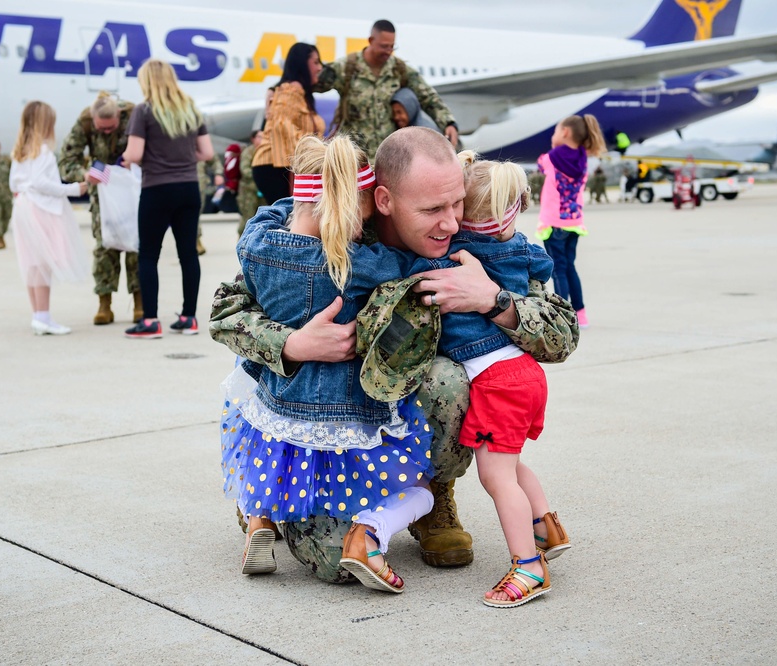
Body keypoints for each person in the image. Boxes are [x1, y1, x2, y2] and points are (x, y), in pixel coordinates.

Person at [210, 127, 580, 582]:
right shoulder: (331, 222)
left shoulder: (479, 235)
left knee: (450, 380)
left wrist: (493, 299)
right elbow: (228, 307)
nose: (450, 222)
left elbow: (563, 333)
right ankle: (268, 503)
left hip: (403, 406)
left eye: (456, 203)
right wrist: (290, 344)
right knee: (334, 565)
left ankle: (432, 494)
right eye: (431, 210)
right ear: (382, 201)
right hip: (326, 418)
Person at [222, 134, 436, 592]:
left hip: (278, 404)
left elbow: (269, 214)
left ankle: (258, 517)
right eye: (359, 219)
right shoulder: (358, 263)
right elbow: (406, 264)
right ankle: (377, 527)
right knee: (413, 487)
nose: (361, 230)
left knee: (266, 457)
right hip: (341, 413)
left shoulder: (257, 243)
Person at [437, 152, 561, 607]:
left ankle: (528, 568)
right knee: (509, 463)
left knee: (496, 478)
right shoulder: (522, 249)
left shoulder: (454, 255)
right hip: (524, 372)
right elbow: (544, 269)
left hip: (496, 380)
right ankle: (545, 526)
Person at [122, 59, 213, 339]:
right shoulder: (191, 110)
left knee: (149, 254)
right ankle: (189, 318)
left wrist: (126, 159)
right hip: (188, 188)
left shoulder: (143, 111)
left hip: (157, 189)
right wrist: (182, 159)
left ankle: (150, 321)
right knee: (188, 254)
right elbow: (207, 152)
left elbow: (135, 154)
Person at [314, 19, 459, 157]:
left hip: (387, 157)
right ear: (371, 41)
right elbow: (311, 84)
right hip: (354, 157)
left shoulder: (399, 70)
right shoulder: (346, 67)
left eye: (392, 46)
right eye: (384, 46)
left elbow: (428, 97)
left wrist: (448, 123)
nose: (389, 51)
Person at [58, 91, 141, 326]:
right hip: (103, 193)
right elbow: (66, 160)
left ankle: (140, 303)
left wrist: (136, 162)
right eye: (101, 128)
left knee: (137, 245)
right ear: (93, 120)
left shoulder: (134, 115)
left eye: (111, 127)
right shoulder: (84, 122)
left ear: (118, 116)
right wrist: (83, 175)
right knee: (105, 246)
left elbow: (154, 148)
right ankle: (105, 304)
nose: (106, 131)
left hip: (132, 190)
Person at [8, 102, 90, 335]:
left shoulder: (20, 151)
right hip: (40, 209)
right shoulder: (43, 152)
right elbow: (40, 183)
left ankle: (39, 315)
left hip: (23, 206)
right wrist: (73, 189)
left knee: (33, 263)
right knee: (44, 263)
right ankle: (43, 317)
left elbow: (14, 183)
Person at [536, 115, 605, 329]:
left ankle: (563, 317)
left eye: (555, 131)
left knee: (558, 270)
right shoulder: (583, 158)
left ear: (565, 132)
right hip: (574, 222)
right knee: (570, 267)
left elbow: (541, 165)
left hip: (554, 223)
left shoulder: (552, 157)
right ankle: (581, 314)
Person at [251, 43, 325, 205]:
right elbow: (283, 128)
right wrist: (317, 152)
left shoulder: (298, 93)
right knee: (288, 221)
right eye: (316, 62)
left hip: (279, 167)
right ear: (302, 65)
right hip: (275, 167)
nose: (320, 68)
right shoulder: (291, 90)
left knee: (289, 221)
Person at [236, 130, 265, 237]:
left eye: (264, 136)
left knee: (263, 217)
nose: (262, 139)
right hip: (248, 191)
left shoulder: (266, 152)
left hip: (262, 190)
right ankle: (242, 239)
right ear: (253, 139)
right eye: (259, 137)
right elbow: (245, 169)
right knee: (247, 217)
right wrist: (259, 177)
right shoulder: (248, 152)